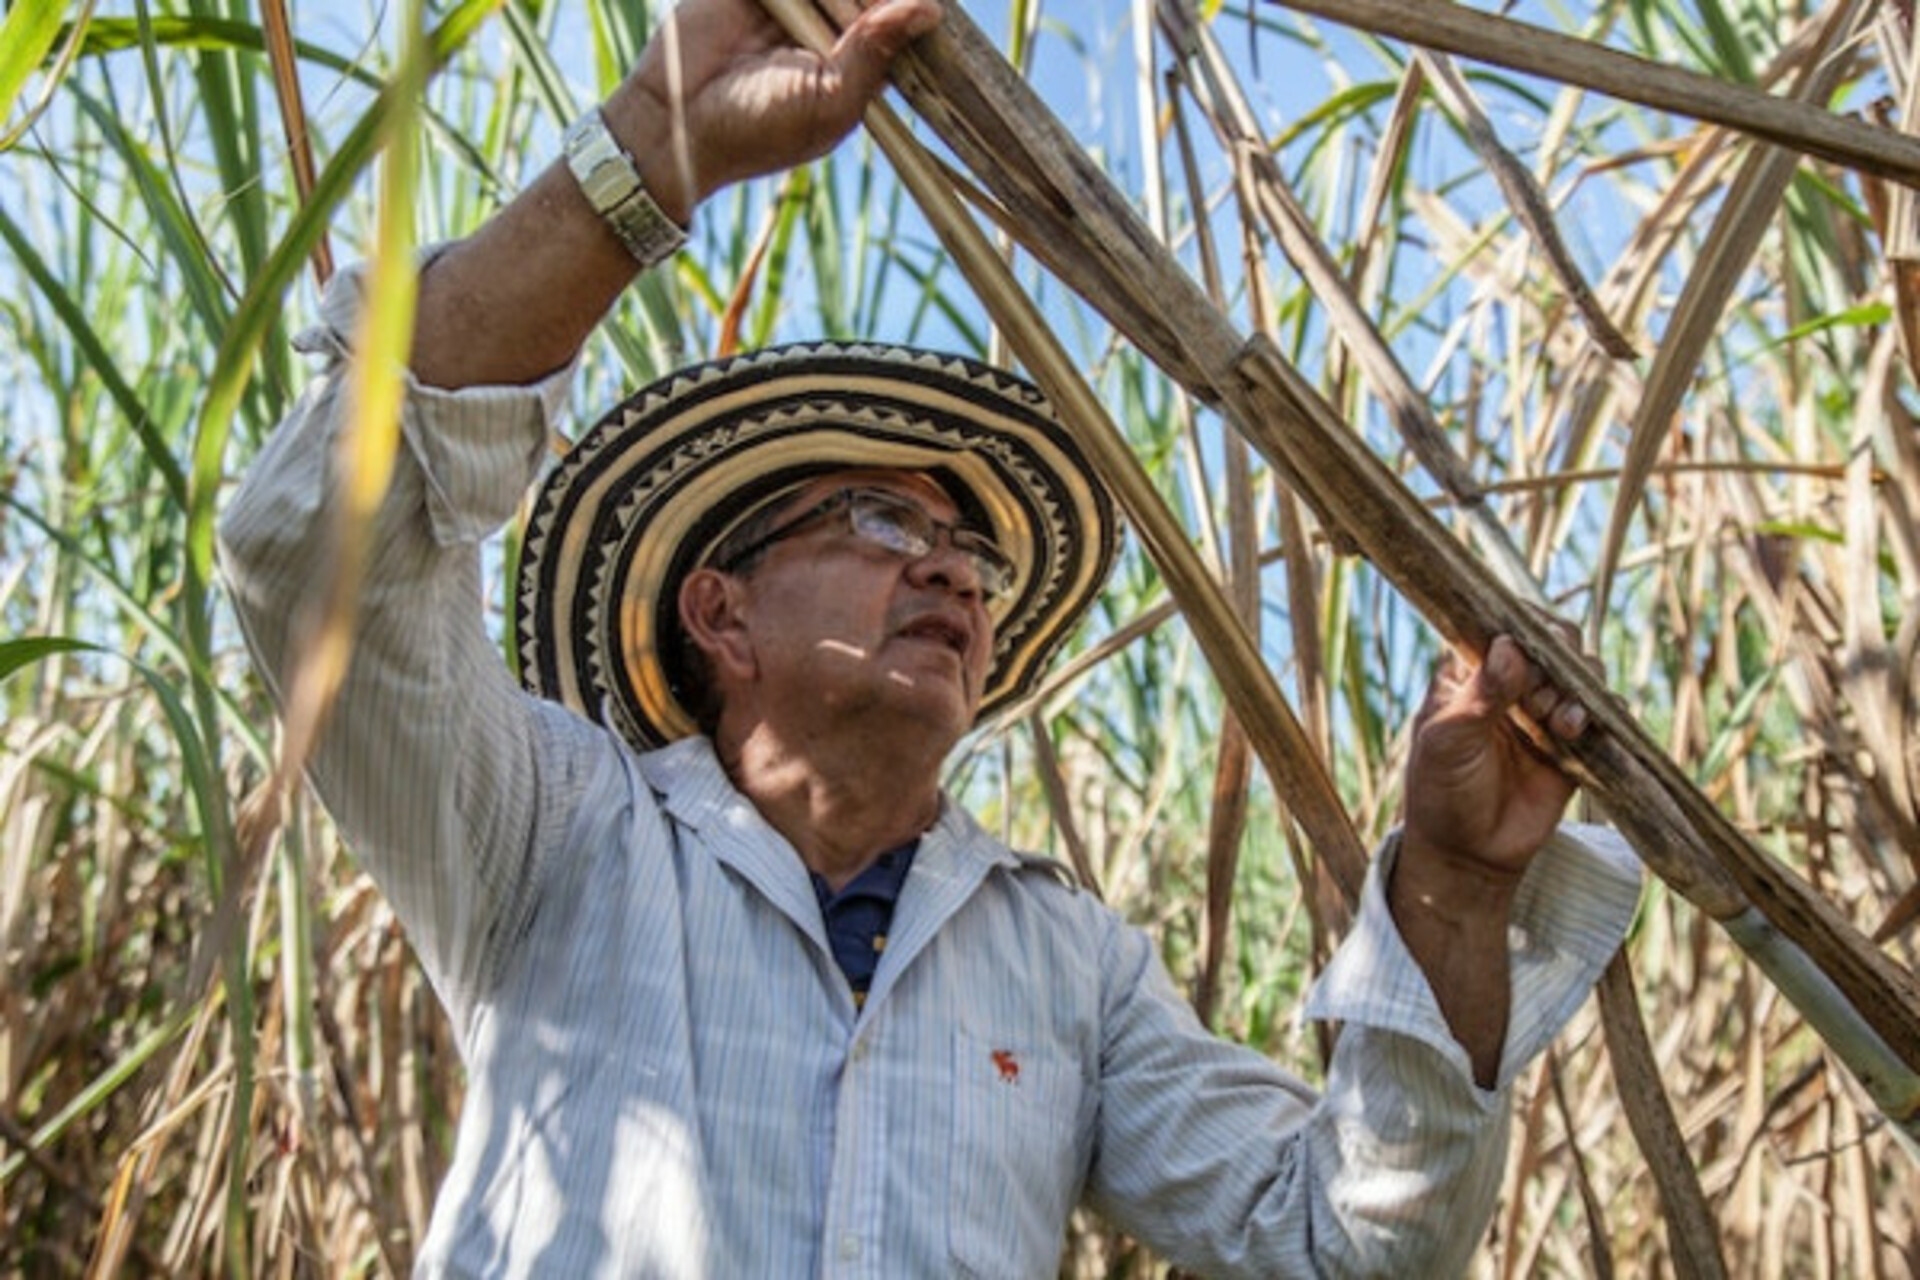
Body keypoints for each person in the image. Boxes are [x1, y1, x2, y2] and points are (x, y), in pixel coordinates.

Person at [218, 0, 1641, 1274]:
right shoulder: (553, 834)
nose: (953, 574)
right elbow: (310, 549)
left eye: (968, 553)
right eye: (882, 528)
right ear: (723, 613)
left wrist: (1454, 890)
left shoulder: (1063, 959)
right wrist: (657, 143)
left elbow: (1347, 1246)